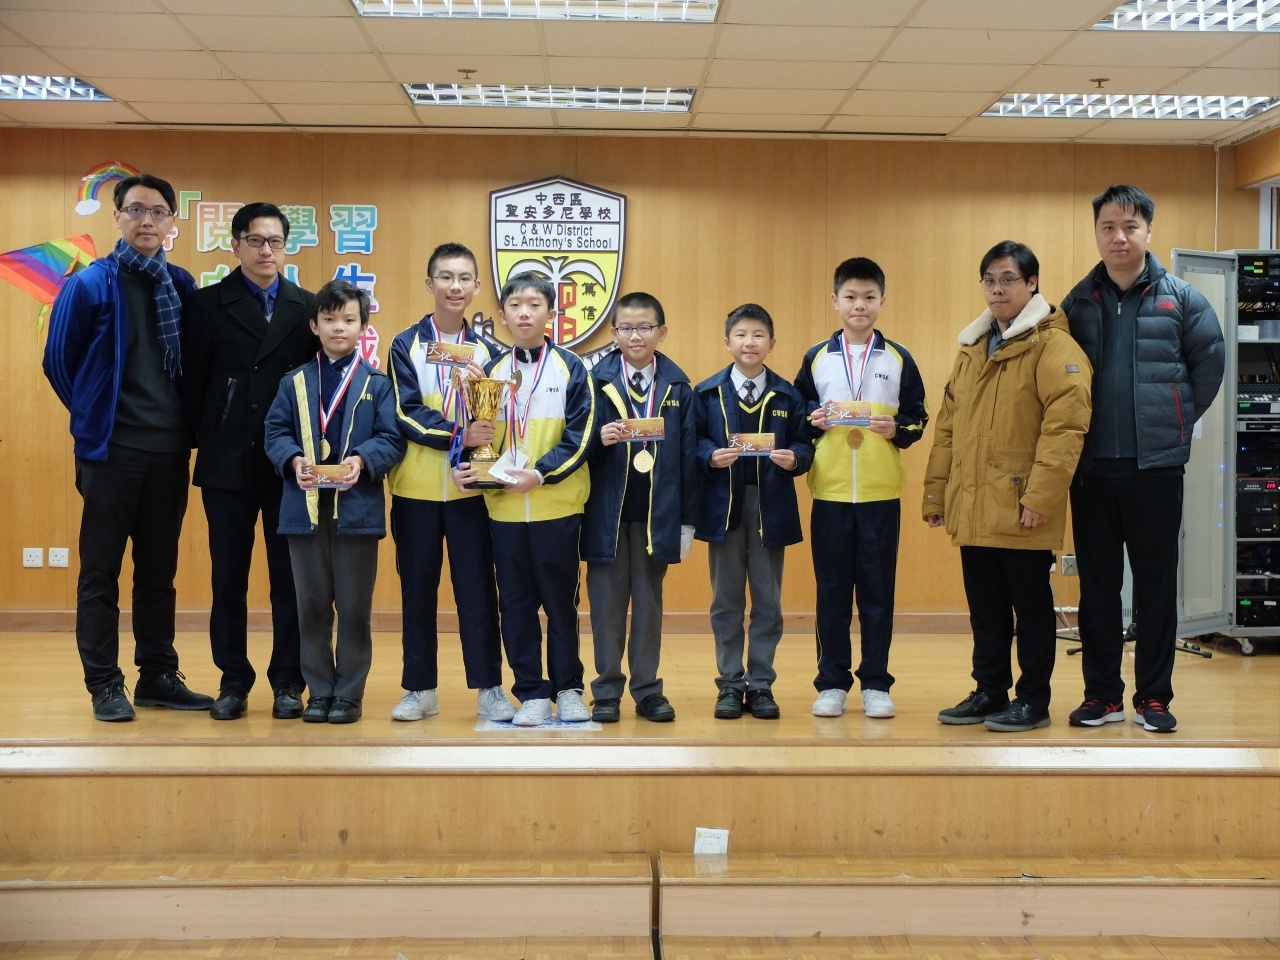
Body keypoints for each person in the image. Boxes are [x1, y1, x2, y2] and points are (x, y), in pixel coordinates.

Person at [43, 173, 214, 722]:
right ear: (117, 216)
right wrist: (96, 415)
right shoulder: (90, 283)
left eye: (159, 211)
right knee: (101, 573)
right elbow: (59, 362)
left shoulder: (180, 284)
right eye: (136, 210)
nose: (147, 220)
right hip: (111, 451)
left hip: (169, 450)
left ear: (171, 222)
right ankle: (104, 683)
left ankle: (157, 676)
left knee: (158, 573)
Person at [1061, 185, 1224, 734]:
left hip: (1156, 469)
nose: (1119, 237)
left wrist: (1176, 419)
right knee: (1097, 591)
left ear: (1148, 231)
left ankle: (1153, 697)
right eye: (1108, 226)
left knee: (1155, 589)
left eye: (1130, 226)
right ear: (1097, 233)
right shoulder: (1077, 302)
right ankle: (1103, 695)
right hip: (1091, 471)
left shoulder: (1182, 298)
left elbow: (1210, 364)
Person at [923, 241, 1093, 732]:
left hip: (1021, 503)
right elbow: (948, 427)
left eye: (1008, 280)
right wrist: (937, 493)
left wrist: (1041, 497)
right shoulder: (973, 348)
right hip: (973, 501)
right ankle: (989, 690)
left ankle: (1033, 700)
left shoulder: (1054, 346)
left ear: (1032, 284)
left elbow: (1065, 430)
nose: (997, 290)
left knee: (1031, 610)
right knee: (986, 609)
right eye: (990, 280)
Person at [182, 202, 317, 721]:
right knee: (228, 579)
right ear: (235, 244)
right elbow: (193, 383)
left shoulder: (306, 306)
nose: (266, 251)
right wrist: (214, 429)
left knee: (290, 580)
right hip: (226, 463)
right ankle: (233, 680)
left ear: (285, 248)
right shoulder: (206, 304)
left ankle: (288, 681)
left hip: (288, 466)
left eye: (275, 241)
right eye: (256, 240)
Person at [453, 272, 595, 727]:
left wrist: (539, 474)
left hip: (558, 507)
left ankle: (568, 689)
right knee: (514, 604)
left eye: (534, 305)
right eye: (515, 305)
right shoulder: (490, 374)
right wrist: (466, 467)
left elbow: (581, 436)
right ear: (502, 315)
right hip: (505, 512)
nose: (524, 313)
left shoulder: (572, 368)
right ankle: (532, 691)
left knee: (560, 604)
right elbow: (477, 437)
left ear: (551, 313)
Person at [263, 280, 405, 724]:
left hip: (355, 511)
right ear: (314, 325)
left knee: (354, 608)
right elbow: (274, 431)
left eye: (348, 319)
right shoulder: (294, 382)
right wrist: (293, 460)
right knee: (310, 606)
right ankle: (320, 690)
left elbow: (392, 437)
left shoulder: (377, 385)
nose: (338, 327)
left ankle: (348, 693)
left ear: (363, 327)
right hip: (303, 510)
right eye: (329, 319)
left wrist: (363, 460)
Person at [795, 257, 928, 719]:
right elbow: (797, 415)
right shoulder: (816, 357)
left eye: (869, 297)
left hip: (879, 494)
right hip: (830, 493)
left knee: (877, 593)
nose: (860, 305)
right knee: (831, 593)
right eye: (850, 296)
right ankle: (831, 682)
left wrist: (898, 429)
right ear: (835, 301)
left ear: (882, 302)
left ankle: (875, 683)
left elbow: (918, 416)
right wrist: (810, 420)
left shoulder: (898, 357)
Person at [387, 242, 514, 723]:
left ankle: (489, 688)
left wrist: (481, 398)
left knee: (478, 590)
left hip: (472, 492)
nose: (454, 286)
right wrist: (460, 434)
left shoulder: (492, 353)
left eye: (463, 278)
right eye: (445, 277)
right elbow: (405, 413)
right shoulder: (404, 344)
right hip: (415, 490)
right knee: (417, 590)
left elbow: (502, 422)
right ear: (429, 283)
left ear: (477, 287)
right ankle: (420, 688)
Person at [582, 292, 698, 724]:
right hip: (605, 515)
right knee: (606, 606)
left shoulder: (679, 387)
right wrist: (599, 440)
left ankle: (648, 690)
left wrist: (687, 522)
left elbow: (689, 458)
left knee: (649, 606)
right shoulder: (593, 382)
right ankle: (606, 690)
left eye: (645, 327)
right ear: (613, 334)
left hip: (656, 516)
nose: (636, 336)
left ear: (661, 332)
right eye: (627, 328)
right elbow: (575, 445)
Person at [694, 303, 814, 720]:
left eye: (759, 335)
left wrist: (795, 458)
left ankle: (761, 684)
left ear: (772, 343)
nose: (750, 342)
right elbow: (693, 441)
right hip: (724, 508)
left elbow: (805, 443)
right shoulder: (706, 393)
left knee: (767, 600)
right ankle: (730, 684)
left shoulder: (788, 394)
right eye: (742, 335)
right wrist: (710, 455)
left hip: (770, 507)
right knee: (725, 600)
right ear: (727, 342)